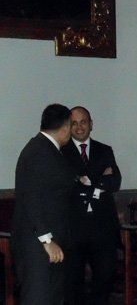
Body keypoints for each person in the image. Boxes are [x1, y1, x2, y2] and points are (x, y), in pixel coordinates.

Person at [11, 104, 76, 304]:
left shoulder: (46, 149)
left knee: (52, 297)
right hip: (38, 245)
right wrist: (47, 240)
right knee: (38, 297)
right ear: (65, 128)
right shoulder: (39, 151)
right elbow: (32, 197)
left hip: (48, 241)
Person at [61, 106, 122, 304]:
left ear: (91, 124)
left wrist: (86, 179)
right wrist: (97, 178)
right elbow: (66, 184)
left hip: (102, 228)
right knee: (73, 284)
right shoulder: (60, 151)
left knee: (104, 280)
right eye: (74, 123)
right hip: (74, 229)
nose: (79, 127)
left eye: (83, 122)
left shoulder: (104, 150)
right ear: (68, 127)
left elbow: (115, 182)